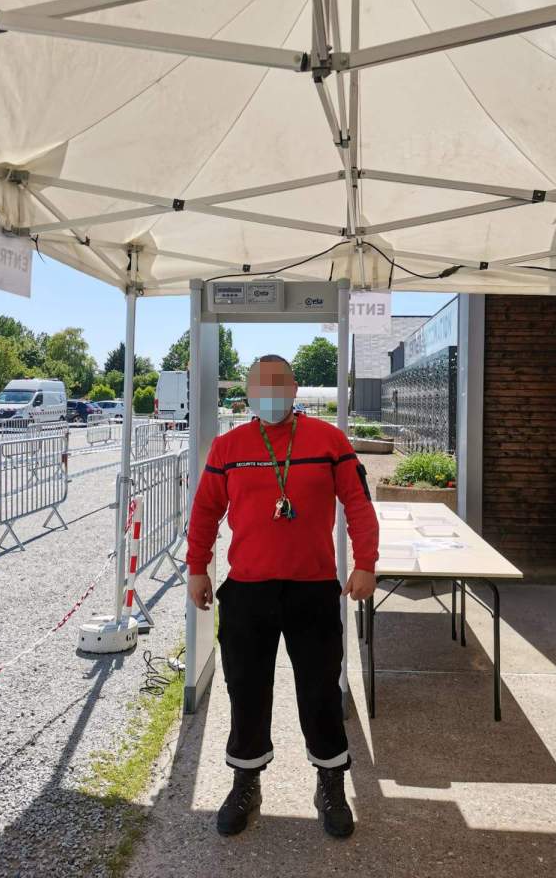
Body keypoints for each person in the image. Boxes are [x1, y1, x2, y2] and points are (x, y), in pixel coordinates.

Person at [186, 355, 379, 839]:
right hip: (247, 592)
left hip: (312, 590)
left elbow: (358, 502)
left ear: (295, 389)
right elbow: (205, 510)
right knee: (246, 690)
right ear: (248, 393)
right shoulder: (228, 447)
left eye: (279, 385)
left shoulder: (328, 440)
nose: (270, 395)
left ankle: (331, 782)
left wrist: (366, 562)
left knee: (320, 692)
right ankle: (245, 783)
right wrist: (196, 568)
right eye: (259, 386)